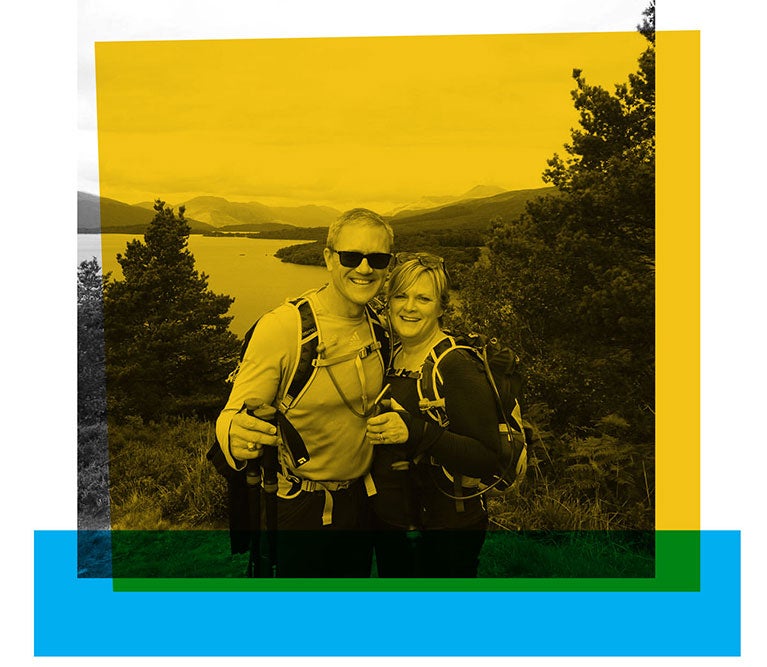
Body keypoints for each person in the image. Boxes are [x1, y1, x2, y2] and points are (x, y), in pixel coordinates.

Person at [215, 208, 406, 577]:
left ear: (389, 265)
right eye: (351, 256)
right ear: (329, 258)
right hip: (299, 507)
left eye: (377, 259)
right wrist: (234, 434)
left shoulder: (380, 327)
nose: (364, 268)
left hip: (362, 505)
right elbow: (231, 415)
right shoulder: (284, 328)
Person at [364, 253, 502, 577]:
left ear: (441, 307)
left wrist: (414, 431)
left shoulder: (454, 364)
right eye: (401, 295)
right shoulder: (391, 357)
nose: (409, 307)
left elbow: (487, 457)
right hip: (393, 524)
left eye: (423, 298)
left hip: (446, 531)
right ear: (388, 302)